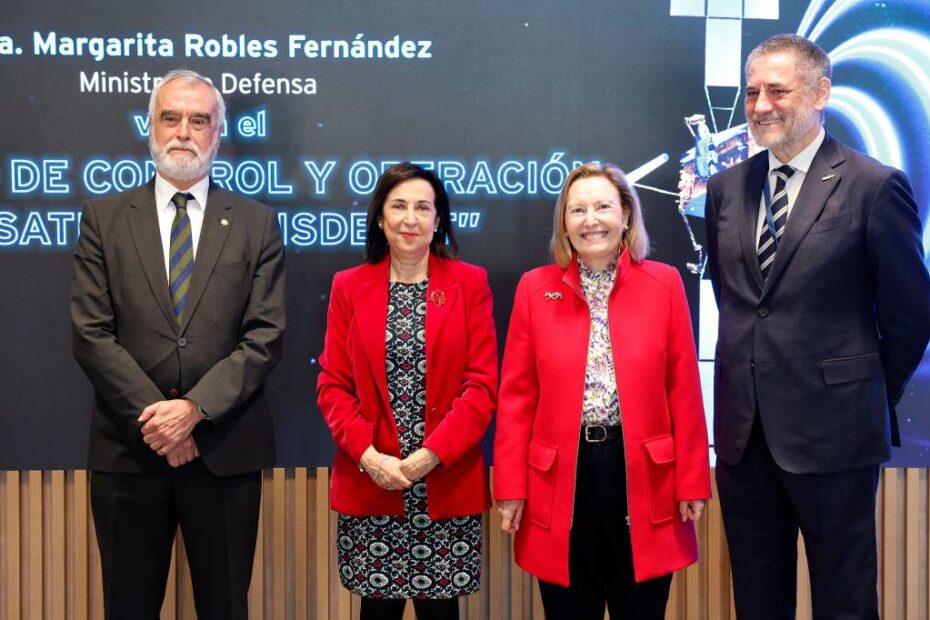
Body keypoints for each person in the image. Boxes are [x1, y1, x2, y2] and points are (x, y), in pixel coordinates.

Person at [705, 34, 930, 619]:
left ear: (820, 92)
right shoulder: (726, 189)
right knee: (757, 599)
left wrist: (861, 387)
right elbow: (735, 299)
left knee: (846, 600)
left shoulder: (873, 186)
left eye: (777, 90)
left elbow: (910, 315)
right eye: (752, 92)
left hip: (837, 435)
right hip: (743, 436)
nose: (759, 106)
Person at [70, 69, 285, 619]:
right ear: (150, 128)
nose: (183, 131)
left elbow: (264, 336)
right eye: (171, 117)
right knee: (128, 607)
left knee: (225, 607)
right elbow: (91, 333)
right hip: (129, 452)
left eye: (199, 120)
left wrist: (194, 412)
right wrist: (159, 422)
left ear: (218, 133)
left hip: (223, 449)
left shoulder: (258, 224)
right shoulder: (105, 218)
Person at [494, 162, 711, 619]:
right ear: (564, 223)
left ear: (627, 215)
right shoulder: (535, 289)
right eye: (577, 210)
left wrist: (692, 479)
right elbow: (516, 399)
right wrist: (511, 487)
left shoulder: (665, 283)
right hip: (561, 480)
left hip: (644, 476)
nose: (590, 220)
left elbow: (684, 390)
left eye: (602, 207)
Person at [316, 163, 497, 620]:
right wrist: (371, 459)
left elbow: (481, 387)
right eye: (398, 206)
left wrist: (429, 456)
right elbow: (333, 385)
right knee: (377, 613)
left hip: (443, 479)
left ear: (438, 220)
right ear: (380, 217)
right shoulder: (348, 286)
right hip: (375, 479)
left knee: (442, 613)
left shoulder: (469, 283)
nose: (410, 218)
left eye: (423, 207)